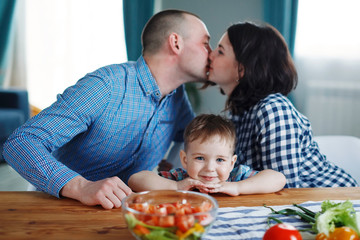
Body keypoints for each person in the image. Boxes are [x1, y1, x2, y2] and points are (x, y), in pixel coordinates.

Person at [2, 10, 211, 209]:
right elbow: (20, 143)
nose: (211, 54)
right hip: (59, 208)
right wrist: (81, 186)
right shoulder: (105, 86)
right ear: (176, 43)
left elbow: (189, 139)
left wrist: (173, 172)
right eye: (206, 43)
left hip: (124, 215)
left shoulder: (178, 98)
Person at [206, 21, 358, 188]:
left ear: (243, 69)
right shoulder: (239, 113)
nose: (210, 55)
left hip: (333, 203)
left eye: (220, 51)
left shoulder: (273, 109)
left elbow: (286, 190)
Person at [128, 114, 286, 195]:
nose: (210, 168)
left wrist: (237, 187)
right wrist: (175, 186)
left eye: (220, 160)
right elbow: (135, 180)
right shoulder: (181, 178)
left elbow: (279, 179)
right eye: (200, 158)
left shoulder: (236, 176)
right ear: (185, 160)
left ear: (232, 163)